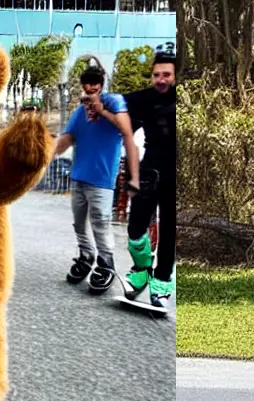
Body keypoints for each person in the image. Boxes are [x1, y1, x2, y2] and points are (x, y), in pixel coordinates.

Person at [51, 63, 138, 295]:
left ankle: (106, 263)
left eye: (95, 83)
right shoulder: (80, 112)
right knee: (79, 223)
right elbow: (67, 139)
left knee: (100, 223)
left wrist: (102, 111)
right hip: (79, 177)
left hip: (102, 179)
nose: (91, 87)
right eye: (87, 83)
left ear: (101, 84)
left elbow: (125, 128)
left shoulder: (114, 102)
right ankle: (86, 256)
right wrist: (45, 155)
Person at [120, 50, 175, 313]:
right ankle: (142, 269)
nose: (161, 79)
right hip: (149, 169)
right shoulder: (144, 99)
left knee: (169, 233)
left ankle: (162, 281)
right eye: (156, 75)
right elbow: (116, 105)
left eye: (166, 74)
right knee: (135, 227)